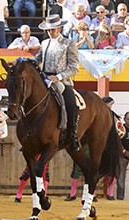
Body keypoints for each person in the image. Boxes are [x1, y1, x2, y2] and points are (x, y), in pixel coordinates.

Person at [35, 14, 80, 152]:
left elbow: (74, 67)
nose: (50, 32)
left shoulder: (69, 44)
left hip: (62, 81)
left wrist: (58, 77)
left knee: (71, 104)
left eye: (53, 29)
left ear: (60, 28)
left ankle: (72, 136)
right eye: (49, 30)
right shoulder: (44, 43)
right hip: (44, 80)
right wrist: (20, 62)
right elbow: (36, 60)